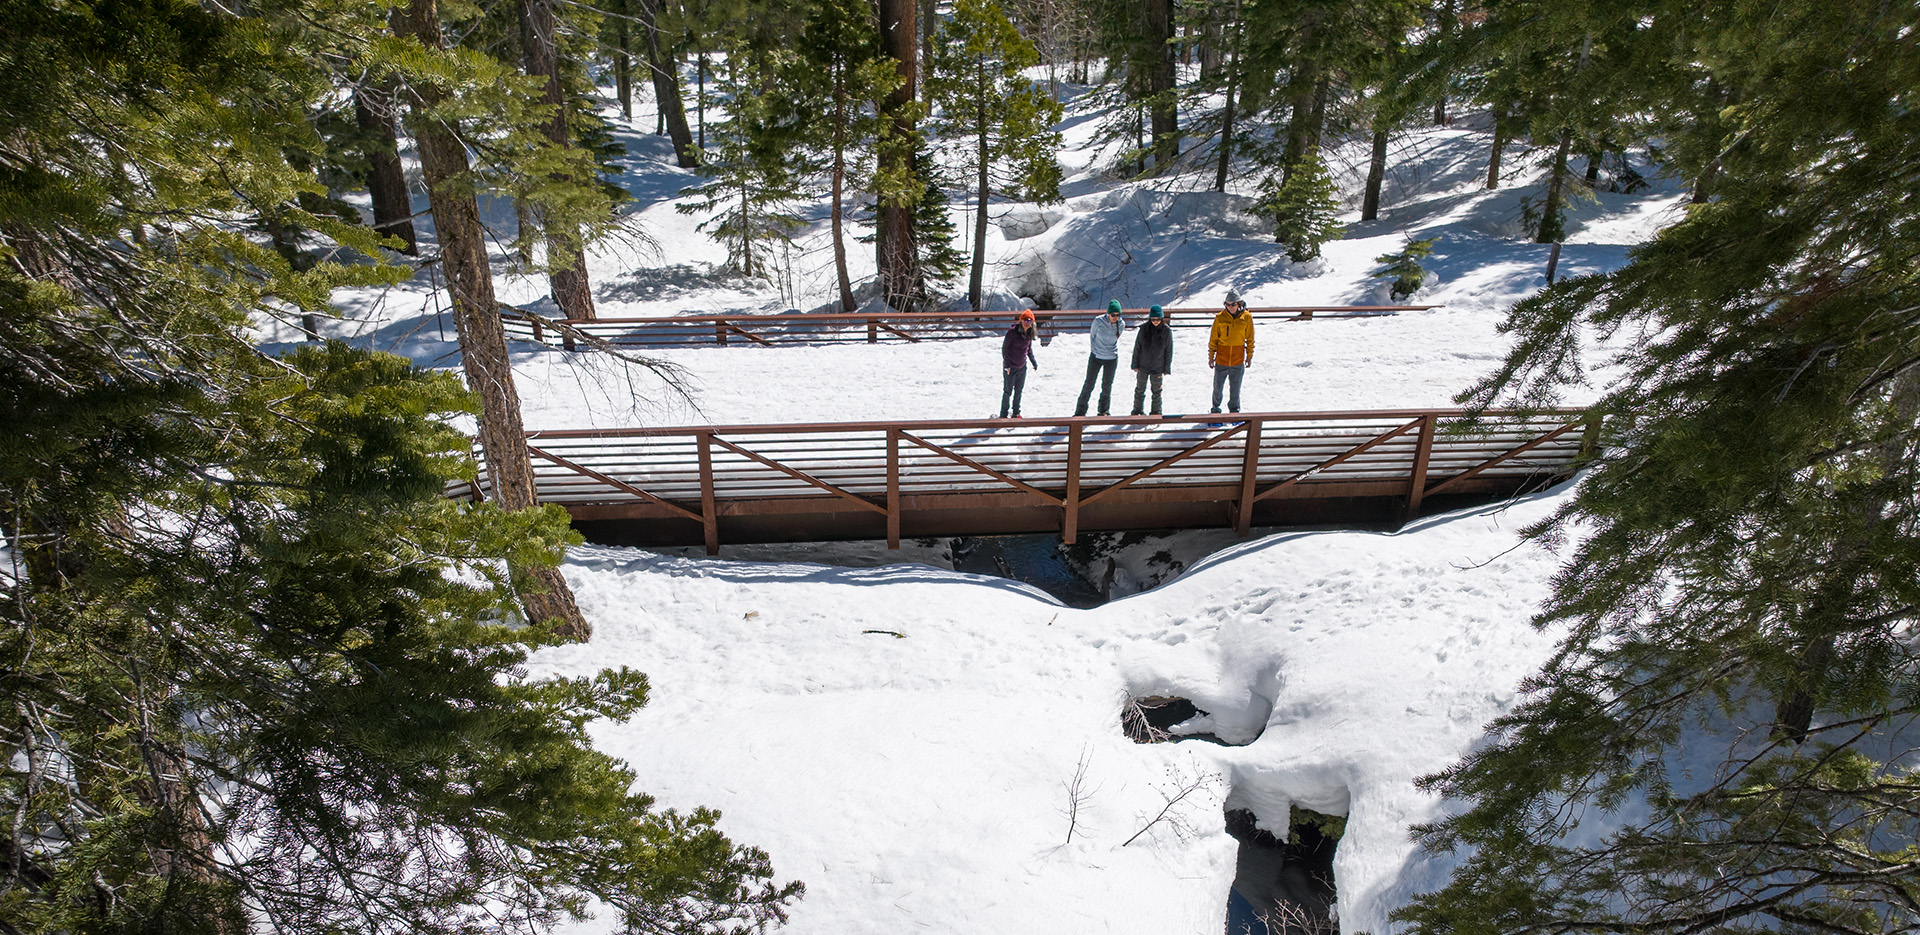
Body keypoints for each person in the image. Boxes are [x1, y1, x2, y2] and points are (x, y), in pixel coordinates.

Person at [1074, 300, 1130, 417]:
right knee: (1089, 383)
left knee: (1107, 385)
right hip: (1096, 356)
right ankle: (1080, 411)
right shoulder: (1098, 321)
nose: (1115, 317)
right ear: (1108, 313)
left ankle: (1103, 410)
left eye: (1117, 315)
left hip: (1112, 358)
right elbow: (1092, 336)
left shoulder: (1121, 324)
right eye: (1113, 315)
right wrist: (1095, 350)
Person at [1208, 290, 1255, 413]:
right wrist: (1211, 356)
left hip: (1237, 359)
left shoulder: (1247, 317)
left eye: (1233, 304)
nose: (1230, 307)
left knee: (1235, 388)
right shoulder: (1220, 317)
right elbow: (1213, 338)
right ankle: (1215, 409)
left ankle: (1234, 411)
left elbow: (1250, 339)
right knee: (1217, 388)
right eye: (1227, 305)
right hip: (1222, 358)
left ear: (1239, 304)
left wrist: (1249, 356)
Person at [1130, 305, 1173, 415]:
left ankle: (1156, 412)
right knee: (1139, 390)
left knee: (1157, 391)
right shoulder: (1143, 329)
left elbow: (1169, 350)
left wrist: (1166, 368)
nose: (1156, 322)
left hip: (1158, 366)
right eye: (1153, 319)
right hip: (1143, 365)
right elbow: (1137, 347)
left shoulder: (1166, 331)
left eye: (1158, 319)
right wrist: (1135, 364)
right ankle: (1137, 410)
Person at [999, 309, 1040, 418]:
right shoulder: (1012, 332)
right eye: (1026, 320)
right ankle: (1003, 414)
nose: (1028, 323)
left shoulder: (1029, 333)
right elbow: (1005, 349)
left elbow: (1028, 349)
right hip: (1010, 367)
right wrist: (1007, 365)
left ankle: (1016, 412)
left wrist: (1033, 362)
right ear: (1021, 321)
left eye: (1030, 321)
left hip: (1022, 366)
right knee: (1007, 391)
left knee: (1019, 391)